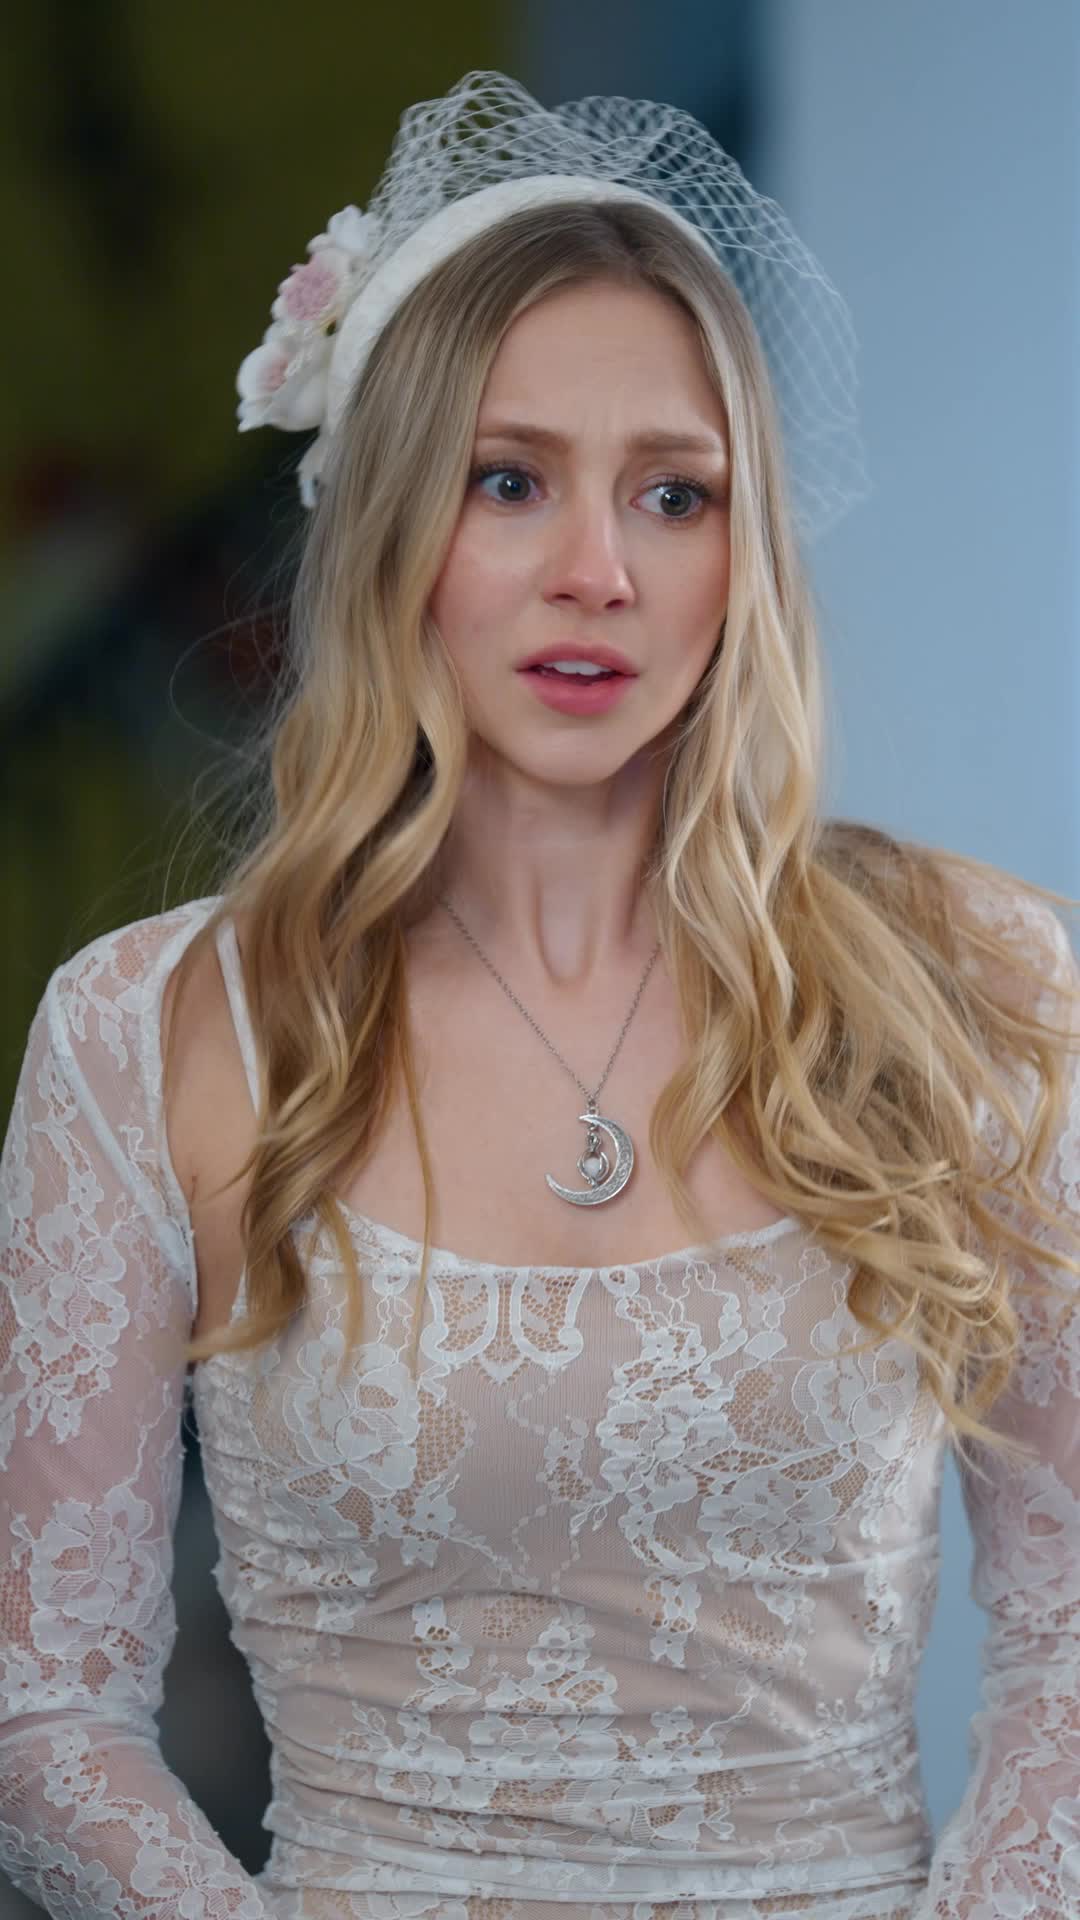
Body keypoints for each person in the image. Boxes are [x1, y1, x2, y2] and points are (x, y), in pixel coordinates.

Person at [0, 67, 1077, 1920]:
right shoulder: (152, 1030)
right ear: (391, 521)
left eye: (675, 494)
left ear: (747, 551)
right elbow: (41, 1713)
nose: (598, 573)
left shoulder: (974, 983)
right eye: (510, 482)